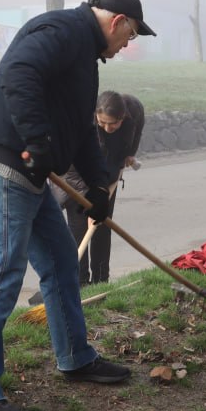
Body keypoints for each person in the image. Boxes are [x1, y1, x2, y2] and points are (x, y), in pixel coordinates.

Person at [0, 0, 157, 411]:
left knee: (63, 260)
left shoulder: (84, 56)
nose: (128, 46)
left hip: (30, 174)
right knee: (2, 273)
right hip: (4, 165)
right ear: (118, 21)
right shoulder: (62, 29)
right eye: (132, 36)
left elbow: (83, 130)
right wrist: (37, 141)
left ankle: (75, 356)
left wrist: (101, 186)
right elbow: (19, 74)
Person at [59, 91, 146, 285]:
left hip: (107, 176)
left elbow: (137, 130)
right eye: (102, 122)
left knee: (102, 227)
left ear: (123, 116)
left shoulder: (134, 108)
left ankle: (100, 280)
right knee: (79, 229)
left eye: (113, 123)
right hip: (74, 178)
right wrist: (91, 200)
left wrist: (130, 153)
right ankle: (79, 283)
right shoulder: (81, 124)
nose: (107, 128)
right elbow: (70, 170)